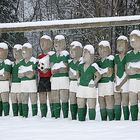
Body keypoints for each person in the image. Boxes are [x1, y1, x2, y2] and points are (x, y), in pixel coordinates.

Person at [77, 45, 101, 121]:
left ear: (91, 55)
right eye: (83, 53)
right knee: (80, 103)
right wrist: (78, 80)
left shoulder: (93, 66)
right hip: (81, 87)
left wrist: (94, 83)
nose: (83, 55)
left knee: (91, 104)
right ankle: (81, 119)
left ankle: (91, 121)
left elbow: (98, 76)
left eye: (86, 53)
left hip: (90, 88)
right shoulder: (80, 65)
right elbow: (77, 73)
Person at [49, 35, 69, 118]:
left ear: (64, 44)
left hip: (64, 78)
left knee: (64, 97)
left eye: (59, 42)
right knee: (55, 97)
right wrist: (58, 67)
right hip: (54, 79)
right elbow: (52, 69)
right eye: (55, 42)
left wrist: (56, 67)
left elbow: (64, 68)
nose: (57, 44)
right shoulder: (52, 56)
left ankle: (65, 116)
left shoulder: (65, 54)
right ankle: (56, 116)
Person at [18, 43, 38, 117]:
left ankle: (35, 115)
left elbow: (31, 75)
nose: (23, 52)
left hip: (31, 83)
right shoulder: (21, 62)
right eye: (22, 51)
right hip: (23, 83)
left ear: (30, 51)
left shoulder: (34, 60)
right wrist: (27, 72)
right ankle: (25, 115)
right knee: (24, 99)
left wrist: (24, 72)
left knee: (33, 100)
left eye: (25, 51)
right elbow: (19, 75)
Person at [97, 41, 114, 121]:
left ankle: (111, 118)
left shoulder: (110, 59)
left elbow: (109, 73)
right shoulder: (98, 62)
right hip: (101, 84)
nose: (101, 51)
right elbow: (96, 75)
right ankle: (103, 118)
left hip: (108, 83)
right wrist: (103, 73)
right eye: (100, 49)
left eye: (104, 50)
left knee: (109, 99)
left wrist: (101, 74)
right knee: (101, 100)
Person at [125, 30, 140, 121]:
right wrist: (132, 71)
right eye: (131, 38)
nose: (132, 40)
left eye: (135, 38)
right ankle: (133, 119)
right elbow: (127, 69)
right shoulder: (128, 55)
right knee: (133, 100)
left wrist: (136, 70)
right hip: (132, 82)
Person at [114, 36, 129, 120]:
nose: (119, 45)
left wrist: (121, 84)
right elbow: (115, 69)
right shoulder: (116, 57)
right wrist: (116, 81)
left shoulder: (128, 56)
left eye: (121, 44)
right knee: (117, 99)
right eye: (118, 44)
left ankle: (126, 118)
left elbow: (127, 72)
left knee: (125, 100)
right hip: (117, 79)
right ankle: (117, 118)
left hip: (125, 80)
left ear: (126, 45)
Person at [38, 35, 53, 117]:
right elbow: (38, 67)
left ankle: (53, 114)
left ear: (50, 44)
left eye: (45, 43)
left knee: (51, 97)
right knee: (42, 96)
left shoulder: (52, 55)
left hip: (49, 79)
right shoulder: (39, 56)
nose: (43, 44)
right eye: (41, 43)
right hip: (41, 79)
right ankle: (43, 114)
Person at [69, 41, 83, 120]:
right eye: (70, 50)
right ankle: (73, 117)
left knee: (80, 100)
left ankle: (81, 116)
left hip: (79, 83)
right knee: (72, 99)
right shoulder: (70, 62)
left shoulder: (82, 62)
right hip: (72, 83)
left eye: (73, 50)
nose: (71, 52)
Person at [11, 44, 23, 116]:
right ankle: (15, 115)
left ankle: (21, 114)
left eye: (17, 51)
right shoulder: (11, 64)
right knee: (13, 99)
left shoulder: (22, 63)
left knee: (20, 99)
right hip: (13, 84)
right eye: (14, 51)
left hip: (21, 84)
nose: (15, 53)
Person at [0, 42, 12, 116]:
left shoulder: (7, 62)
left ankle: (6, 115)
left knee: (5, 100)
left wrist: (3, 76)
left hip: (4, 84)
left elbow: (6, 76)